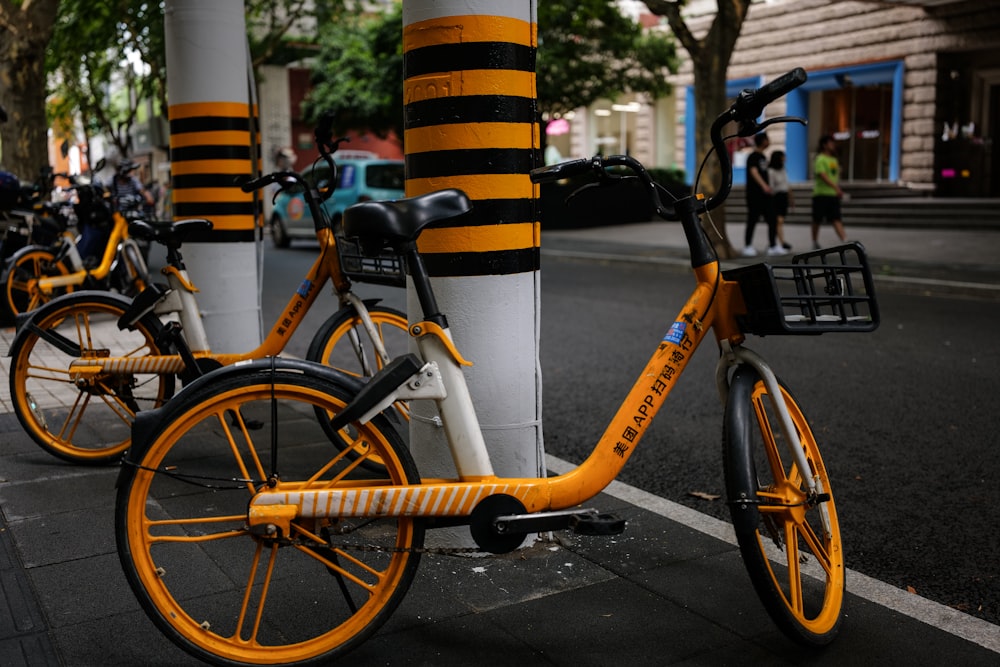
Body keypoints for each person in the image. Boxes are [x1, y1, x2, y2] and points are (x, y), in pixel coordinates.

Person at [742, 132, 782, 257]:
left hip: (766, 195)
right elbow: (754, 172)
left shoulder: (763, 157)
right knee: (752, 219)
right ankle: (747, 246)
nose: (769, 141)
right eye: (767, 139)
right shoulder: (753, 156)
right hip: (755, 195)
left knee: (772, 219)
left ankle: (773, 245)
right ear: (762, 141)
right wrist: (764, 186)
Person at [811, 135, 848, 249]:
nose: (833, 145)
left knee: (836, 218)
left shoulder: (833, 159)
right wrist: (836, 188)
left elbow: (834, 176)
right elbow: (823, 175)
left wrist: (836, 188)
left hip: (832, 194)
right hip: (821, 194)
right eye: (831, 143)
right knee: (817, 220)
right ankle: (815, 241)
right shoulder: (820, 159)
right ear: (824, 145)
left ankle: (845, 241)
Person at [767, 150, 793, 251]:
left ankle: (781, 242)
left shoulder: (783, 169)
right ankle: (781, 242)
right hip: (776, 197)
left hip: (784, 196)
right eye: (783, 156)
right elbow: (771, 186)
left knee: (780, 221)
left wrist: (791, 197)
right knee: (778, 221)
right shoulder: (771, 171)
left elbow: (787, 184)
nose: (785, 158)